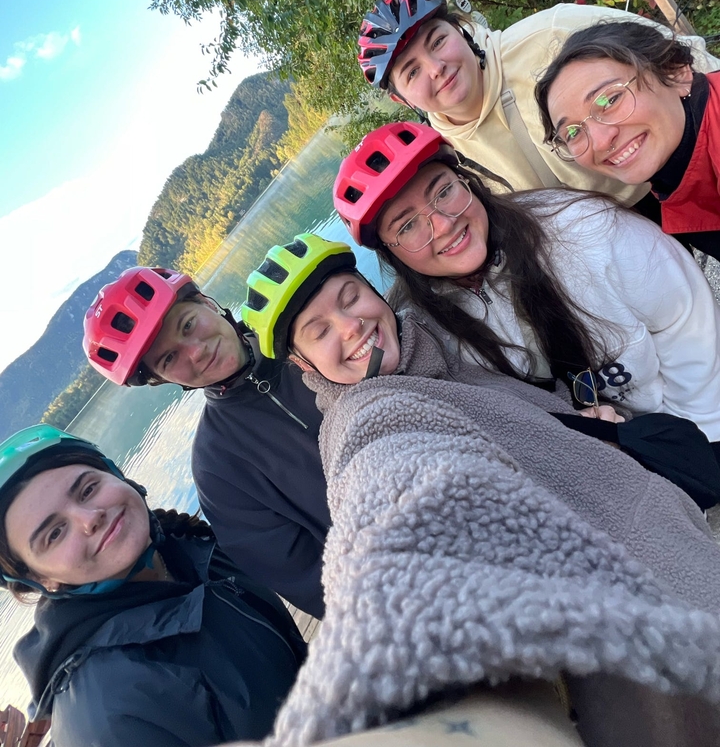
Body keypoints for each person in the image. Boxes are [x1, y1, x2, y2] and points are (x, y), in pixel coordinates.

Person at [241, 239, 720, 747]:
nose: (350, 325)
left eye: (349, 296)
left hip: (670, 538)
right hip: (657, 615)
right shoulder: (367, 414)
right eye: (319, 332)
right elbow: (389, 480)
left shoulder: (430, 348)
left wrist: (577, 421)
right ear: (303, 364)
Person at [333, 121, 720, 441]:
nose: (444, 224)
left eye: (444, 191)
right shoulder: (424, 335)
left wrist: (698, 441)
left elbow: (686, 321)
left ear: (467, 181)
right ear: (390, 252)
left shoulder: (582, 227)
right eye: (408, 225)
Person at [0, 425, 306, 747]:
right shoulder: (110, 713)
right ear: (40, 579)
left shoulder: (188, 549)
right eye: (55, 533)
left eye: (87, 490)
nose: (89, 518)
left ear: (114, 473)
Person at [83, 266, 328, 618]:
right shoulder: (218, 468)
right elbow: (314, 584)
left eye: (186, 325)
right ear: (159, 380)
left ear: (206, 303)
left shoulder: (313, 332)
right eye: (169, 359)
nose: (194, 352)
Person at [357, 0, 720, 201]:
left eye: (438, 41)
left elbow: (677, 52)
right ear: (400, 98)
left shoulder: (550, 34)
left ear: (463, 32)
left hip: (683, 171)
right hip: (611, 247)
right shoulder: (444, 158)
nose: (436, 68)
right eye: (412, 71)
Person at [534, 19, 720, 259]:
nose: (600, 142)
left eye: (610, 100)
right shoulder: (673, 177)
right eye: (573, 132)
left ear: (674, 72)